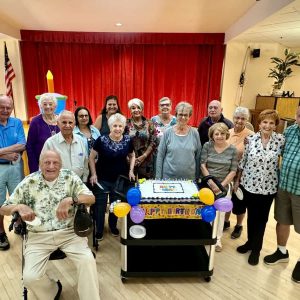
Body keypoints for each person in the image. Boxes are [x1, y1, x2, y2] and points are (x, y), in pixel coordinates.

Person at [0, 150, 100, 299]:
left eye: (55, 163)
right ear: (40, 164)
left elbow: (91, 198)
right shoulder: (29, 181)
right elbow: (3, 208)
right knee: (29, 278)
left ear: (61, 165)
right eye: (47, 162)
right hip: (38, 236)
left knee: (87, 260)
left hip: (69, 233)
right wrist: (19, 207)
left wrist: (70, 200)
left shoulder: (69, 177)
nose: (51, 166)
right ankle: (53, 289)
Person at [236, 109, 285, 266]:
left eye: (271, 123)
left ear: (276, 125)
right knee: (251, 216)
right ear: (259, 123)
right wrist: (238, 180)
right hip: (249, 185)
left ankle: (256, 249)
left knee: (261, 219)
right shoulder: (251, 139)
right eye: (265, 122)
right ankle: (250, 242)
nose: (268, 125)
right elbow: (243, 162)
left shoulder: (280, 140)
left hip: (268, 187)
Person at [264, 106, 300, 283]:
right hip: (284, 185)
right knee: (282, 219)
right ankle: (281, 251)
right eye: (299, 115)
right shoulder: (291, 131)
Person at [89, 113, 135, 240]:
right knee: (100, 206)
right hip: (102, 178)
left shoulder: (127, 140)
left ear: (124, 127)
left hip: (120, 179)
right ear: (110, 126)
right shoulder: (101, 140)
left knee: (115, 204)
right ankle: (99, 229)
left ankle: (113, 225)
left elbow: (132, 155)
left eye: (120, 126)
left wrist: (131, 171)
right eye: (115, 125)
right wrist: (93, 174)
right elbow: (91, 157)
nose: (118, 128)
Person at [200, 123, 238, 251]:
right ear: (212, 135)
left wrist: (221, 186)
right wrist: (211, 183)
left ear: (226, 134)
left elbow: (233, 171)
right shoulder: (207, 146)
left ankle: (217, 240)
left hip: (224, 186)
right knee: (206, 211)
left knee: (221, 214)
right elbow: (203, 165)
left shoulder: (233, 149)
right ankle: (205, 236)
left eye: (222, 133)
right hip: (208, 184)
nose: (219, 136)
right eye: (216, 134)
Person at [0, 95, 26, 250]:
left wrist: (1, 152)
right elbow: (16, 147)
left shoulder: (16, 123)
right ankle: (1, 232)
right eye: (2, 107)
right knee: (0, 202)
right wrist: (4, 154)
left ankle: (18, 223)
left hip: (16, 166)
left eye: (8, 107)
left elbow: (22, 144)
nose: (5, 110)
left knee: (18, 198)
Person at [224, 107, 254, 238]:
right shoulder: (227, 132)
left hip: (242, 174)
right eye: (237, 117)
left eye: (243, 118)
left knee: (240, 201)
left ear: (246, 120)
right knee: (227, 199)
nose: (239, 121)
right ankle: (225, 222)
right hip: (227, 172)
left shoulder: (251, 135)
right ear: (233, 118)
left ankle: (239, 225)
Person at [156, 101, 201, 180]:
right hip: (168, 178)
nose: (183, 117)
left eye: (186, 115)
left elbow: (198, 157)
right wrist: (158, 178)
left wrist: (197, 177)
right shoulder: (168, 132)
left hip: (189, 179)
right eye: (180, 114)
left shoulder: (195, 133)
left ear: (189, 116)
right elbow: (160, 156)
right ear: (176, 115)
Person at [41, 110, 89, 182]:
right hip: (57, 184)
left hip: (79, 184)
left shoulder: (81, 140)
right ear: (58, 123)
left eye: (70, 122)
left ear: (74, 124)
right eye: (64, 122)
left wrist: (84, 180)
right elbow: (43, 165)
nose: (67, 125)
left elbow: (85, 162)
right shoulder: (50, 143)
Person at [26, 93, 60, 173]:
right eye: (45, 104)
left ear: (55, 106)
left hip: (60, 163)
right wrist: (34, 168)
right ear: (40, 106)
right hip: (41, 164)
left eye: (50, 104)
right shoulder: (35, 122)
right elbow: (29, 146)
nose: (48, 106)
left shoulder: (61, 120)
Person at [126, 98, 158, 179]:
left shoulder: (150, 123)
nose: (136, 110)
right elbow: (122, 141)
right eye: (133, 108)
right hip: (129, 160)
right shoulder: (126, 124)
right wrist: (128, 158)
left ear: (142, 109)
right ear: (130, 110)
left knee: (145, 186)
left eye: (138, 107)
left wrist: (144, 156)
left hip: (146, 160)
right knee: (130, 186)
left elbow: (153, 141)